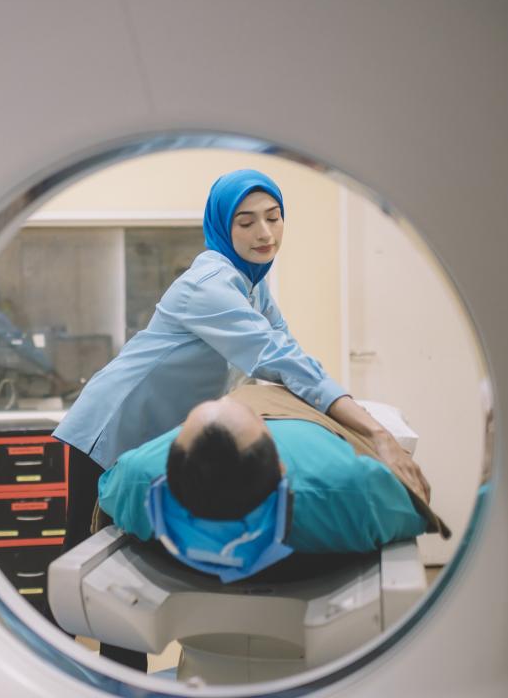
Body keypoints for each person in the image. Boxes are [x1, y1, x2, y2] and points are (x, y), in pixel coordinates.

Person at [51, 170, 427, 665]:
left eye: (273, 218)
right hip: (108, 427)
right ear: (222, 227)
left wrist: (343, 416)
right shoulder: (208, 284)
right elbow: (280, 360)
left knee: (119, 571)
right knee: (89, 569)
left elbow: (292, 354)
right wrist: (374, 432)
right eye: (246, 222)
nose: (264, 233)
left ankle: (113, 675)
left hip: (148, 435)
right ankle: (43, 668)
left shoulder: (253, 283)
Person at [97, 386, 443, 582]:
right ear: (280, 465)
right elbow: (412, 509)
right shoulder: (351, 490)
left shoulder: (138, 477)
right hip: (303, 417)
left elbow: (107, 491)